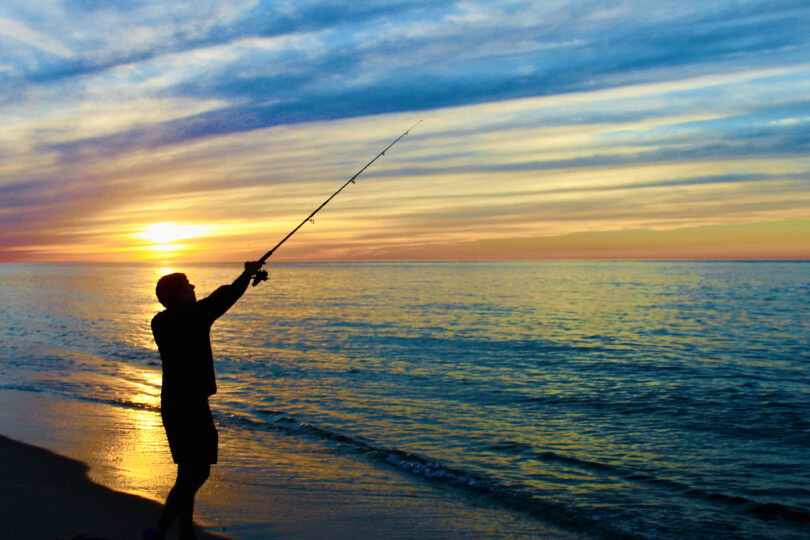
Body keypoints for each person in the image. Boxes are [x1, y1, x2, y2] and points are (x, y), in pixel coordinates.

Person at [144, 261, 265, 540]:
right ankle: (159, 528)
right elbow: (224, 298)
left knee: (188, 473)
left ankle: (186, 534)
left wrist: (246, 275)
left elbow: (217, 300)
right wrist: (246, 274)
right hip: (190, 406)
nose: (193, 287)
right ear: (178, 295)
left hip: (173, 406)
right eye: (187, 286)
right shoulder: (192, 317)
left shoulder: (160, 322)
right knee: (195, 474)